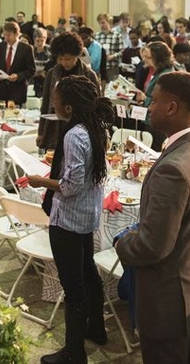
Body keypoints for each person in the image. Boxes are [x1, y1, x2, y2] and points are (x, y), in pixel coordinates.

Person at [115, 72, 190, 364]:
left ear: (172, 108)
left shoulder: (172, 169)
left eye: (154, 101)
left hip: (167, 299)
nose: (149, 107)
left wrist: (121, 242)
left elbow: (152, 245)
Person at [26, 76, 115, 364]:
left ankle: (73, 353)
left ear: (67, 107)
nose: (53, 103)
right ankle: (96, 329)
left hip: (68, 218)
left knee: (74, 285)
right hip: (87, 214)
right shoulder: (96, 128)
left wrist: (42, 181)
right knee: (88, 273)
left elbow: (71, 184)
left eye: (55, 99)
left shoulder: (75, 134)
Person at [37, 32, 100, 151]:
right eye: (60, 59)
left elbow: (98, 106)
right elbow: (45, 103)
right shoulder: (52, 74)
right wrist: (41, 132)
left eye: (68, 59)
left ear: (77, 56)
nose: (64, 63)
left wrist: (101, 133)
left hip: (81, 127)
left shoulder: (89, 75)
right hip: (55, 127)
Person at [133, 42, 176, 151]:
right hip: (151, 119)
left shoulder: (164, 75)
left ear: (158, 58)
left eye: (148, 57)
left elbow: (161, 101)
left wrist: (144, 98)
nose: (145, 59)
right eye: (145, 57)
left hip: (158, 122)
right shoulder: (157, 72)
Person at [0, 21, 36, 106]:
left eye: (8, 35)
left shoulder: (26, 49)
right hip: (1, 91)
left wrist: (18, 76)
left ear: (17, 34)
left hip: (18, 91)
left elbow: (31, 70)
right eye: (4, 35)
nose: (6, 38)